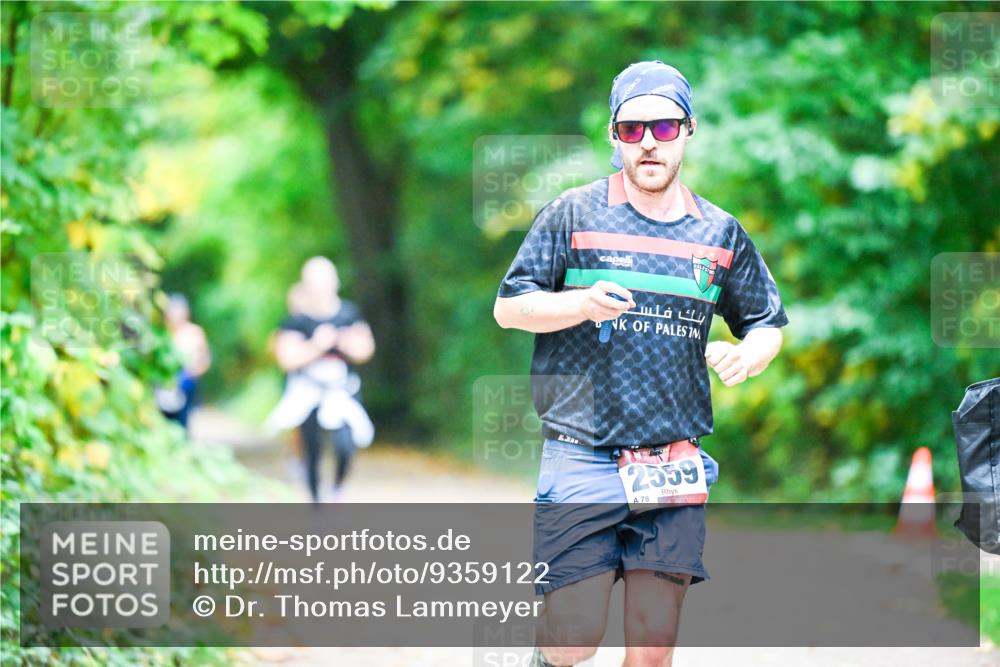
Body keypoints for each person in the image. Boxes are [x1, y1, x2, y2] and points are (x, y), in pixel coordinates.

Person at [494, 61, 788, 667]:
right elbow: (509, 307)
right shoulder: (573, 214)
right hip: (582, 452)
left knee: (653, 648)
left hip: (672, 463)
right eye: (632, 130)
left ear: (688, 130)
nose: (648, 141)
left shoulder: (719, 232)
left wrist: (748, 355)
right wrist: (579, 303)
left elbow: (767, 323)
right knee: (573, 639)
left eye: (662, 127)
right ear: (613, 136)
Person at [266, 257, 376, 503]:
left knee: (346, 443)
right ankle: (316, 502)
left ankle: (337, 488)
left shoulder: (349, 314)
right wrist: (317, 345)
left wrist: (347, 343)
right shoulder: (295, 321)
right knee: (311, 447)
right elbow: (287, 357)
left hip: (342, 391)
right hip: (307, 392)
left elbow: (366, 348)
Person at [156, 294, 211, 430]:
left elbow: (205, 358)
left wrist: (194, 373)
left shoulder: (194, 332)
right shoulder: (162, 333)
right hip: (162, 385)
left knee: (182, 422)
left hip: (187, 383)